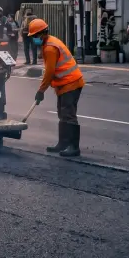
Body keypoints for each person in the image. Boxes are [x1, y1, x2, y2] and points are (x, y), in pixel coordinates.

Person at [28, 19, 85, 157]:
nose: (34, 39)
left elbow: (49, 72)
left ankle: (74, 147)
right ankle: (63, 143)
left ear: (42, 34)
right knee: (62, 113)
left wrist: (41, 91)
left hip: (71, 83)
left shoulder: (49, 48)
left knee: (68, 115)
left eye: (35, 36)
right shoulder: (48, 42)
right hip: (64, 84)